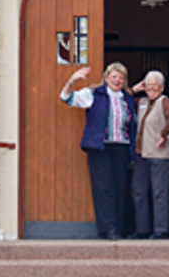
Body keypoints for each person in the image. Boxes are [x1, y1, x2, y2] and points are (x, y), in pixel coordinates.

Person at [60, 62, 136, 240]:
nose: (117, 80)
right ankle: (108, 229)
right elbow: (66, 98)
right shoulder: (94, 94)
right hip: (100, 147)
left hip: (121, 147)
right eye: (114, 76)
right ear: (106, 77)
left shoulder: (128, 99)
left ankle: (117, 229)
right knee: (103, 188)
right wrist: (72, 80)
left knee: (119, 188)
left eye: (121, 77)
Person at [129, 70, 169, 239]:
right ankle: (142, 229)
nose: (151, 89)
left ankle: (161, 230)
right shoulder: (142, 101)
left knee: (159, 193)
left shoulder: (164, 101)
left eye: (155, 86)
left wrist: (164, 133)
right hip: (141, 154)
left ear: (162, 87)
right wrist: (134, 90)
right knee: (139, 192)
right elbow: (123, 101)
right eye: (148, 86)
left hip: (160, 154)